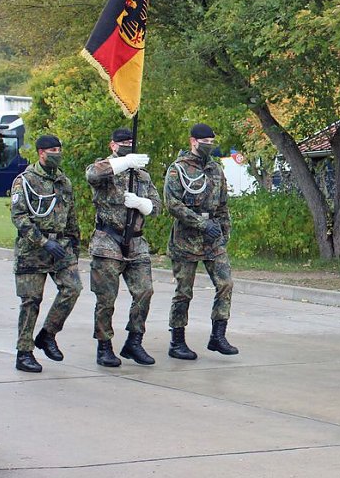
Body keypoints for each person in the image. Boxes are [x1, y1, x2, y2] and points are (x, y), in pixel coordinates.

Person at [86, 128, 161, 367]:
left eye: (131, 143)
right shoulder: (106, 169)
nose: (128, 145)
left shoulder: (141, 177)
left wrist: (142, 204)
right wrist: (123, 162)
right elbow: (93, 175)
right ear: (113, 145)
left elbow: (157, 207)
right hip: (108, 241)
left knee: (144, 291)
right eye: (123, 143)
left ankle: (134, 341)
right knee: (106, 298)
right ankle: (104, 346)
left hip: (136, 241)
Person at [163, 123, 237, 359]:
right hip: (186, 240)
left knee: (226, 284)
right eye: (205, 142)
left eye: (211, 142)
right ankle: (177, 341)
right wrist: (201, 223)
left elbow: (223, 203)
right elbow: (172, 204)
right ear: (193, 141)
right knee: (184, 291)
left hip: (213, 240)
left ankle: (218, 335)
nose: (209, 146)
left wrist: (225, 231)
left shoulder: (215, 169)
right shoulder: (178, 169)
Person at [10, 135, 82, 373]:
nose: (57, 153)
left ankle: (48, 334)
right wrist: (42, 241)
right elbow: (19, 217)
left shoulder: (64, 181)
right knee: (31, 301)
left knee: (72, 289)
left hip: (60, 248)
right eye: (53, 150)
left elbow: (70, 216)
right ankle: (24, 352)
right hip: (33, 250)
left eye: (59, 149)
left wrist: (74, 244)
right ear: (41, 153)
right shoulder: (25, 181)